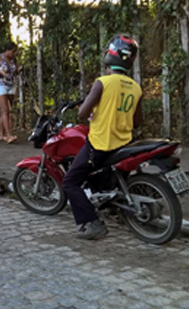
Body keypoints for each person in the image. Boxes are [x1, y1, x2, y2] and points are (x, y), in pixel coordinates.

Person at [62, 34, 142, 240]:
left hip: (100, 144)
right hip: (123, 143)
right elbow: (137, 121)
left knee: (70, 181)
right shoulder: (135, 87)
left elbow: (81, 114)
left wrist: (92, 112)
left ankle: (93, 223)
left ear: (111, 54)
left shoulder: (102, 83)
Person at [0, 41, 20, 144]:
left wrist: (18, 70)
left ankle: (2, 134)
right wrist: (0, 72)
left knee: (7, 110)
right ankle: (9, 135)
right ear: (7, 50)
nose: (14, 54)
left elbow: (14, 71)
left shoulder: (13, 59)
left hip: (11, 85)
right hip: (0, 85)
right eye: (13, 51)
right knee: (5, 110)